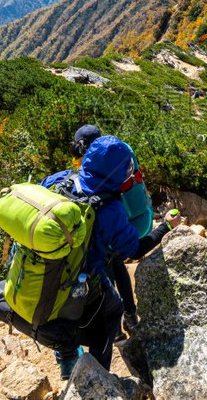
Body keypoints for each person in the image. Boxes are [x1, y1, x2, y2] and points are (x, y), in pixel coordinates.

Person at [0, 135, 180, 380]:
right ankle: (94, 380)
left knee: (74, 309)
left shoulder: (61, 178)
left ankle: (67, 361)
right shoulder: (110, 208)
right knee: (112, 312)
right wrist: (166, 227)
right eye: (128, 169)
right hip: (83, 283)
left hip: (35, 270)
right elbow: (135, 250)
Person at [64, 125, 153, 335]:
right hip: (141, 217)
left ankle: (115, 325)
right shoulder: (119, 151)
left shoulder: (97, 167)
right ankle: (130, 316)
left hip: (123, 224)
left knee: (108, 267)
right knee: (116, 264)